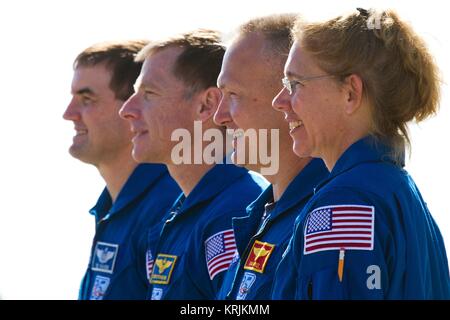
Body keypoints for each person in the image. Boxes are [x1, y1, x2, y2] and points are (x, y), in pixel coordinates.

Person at [271, 8, 450, 299]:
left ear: (351, 93)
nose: (280, 101)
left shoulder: (343, 204)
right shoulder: (403, 194)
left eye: (295, 84)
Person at [119, 29, 269, 300]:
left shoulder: (234, 213)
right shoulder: (182, 212)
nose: (127, 109)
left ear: (206, 105)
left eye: (148, 93)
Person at [213, 14, 328, 300]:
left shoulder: (327, 216)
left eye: (233, 95)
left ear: (287, 97)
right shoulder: (263, 217)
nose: (220, 117)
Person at [63, 41, 181, 300]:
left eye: (86, 99)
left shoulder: (168, 208)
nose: (68, 114)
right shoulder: (113, 207)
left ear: (132, 109)